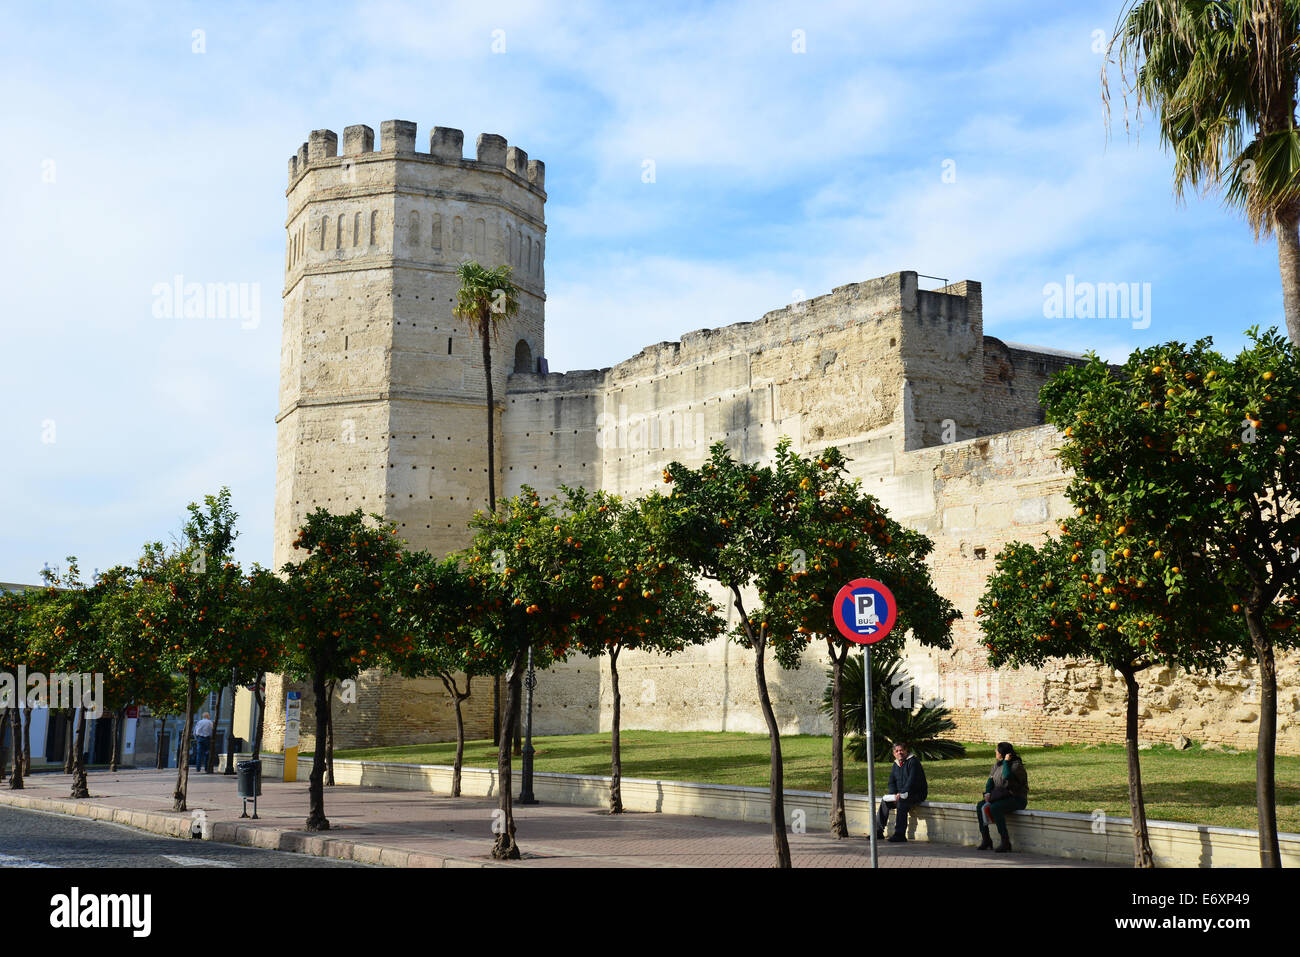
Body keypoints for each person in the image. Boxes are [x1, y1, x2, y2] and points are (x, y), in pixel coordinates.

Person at [975, 741, 1028, 853]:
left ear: (1003, 753)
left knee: (995, 808)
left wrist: (1006, 762)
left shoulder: (1016, 766)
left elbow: (1007, 776)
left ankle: (1005, 842)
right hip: (1001, 797)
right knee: (980, 806)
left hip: (1017, 798)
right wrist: (988, 793)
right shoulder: (996, 765)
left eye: (997, 750)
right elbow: (990, 782)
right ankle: (986, 839)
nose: (995, 751)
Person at [876, 742, 927, 843]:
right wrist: (894, 795)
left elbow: (911, 782)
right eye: (897, 751)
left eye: (901, 750)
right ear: (893, 753)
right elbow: (891, 782)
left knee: (902, 803)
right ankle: (878, 832)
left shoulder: (913, 762)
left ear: (906, 751)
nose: (899, 753)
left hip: (915, 794)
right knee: (885, 802)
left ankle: (900, 835)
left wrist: (902, 794)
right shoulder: (896, 764)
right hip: (901, 795)